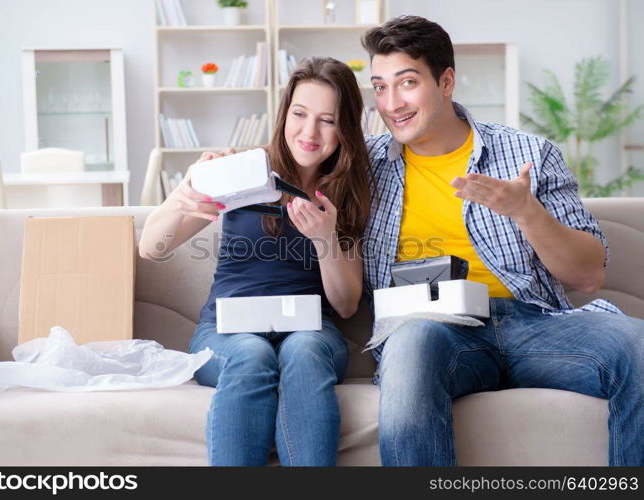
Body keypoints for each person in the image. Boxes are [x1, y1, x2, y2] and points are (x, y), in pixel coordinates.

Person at [360, 15, 644, 466]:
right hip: (433, 331)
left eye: (407, 82)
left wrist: (525, 211)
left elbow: (589, 274)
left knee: (638, 345)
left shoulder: (528, 155)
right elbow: (296, 156)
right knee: (411, 344)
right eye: (379, 87)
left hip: (532, 323)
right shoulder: (364, 164)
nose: (391, 103)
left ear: (446, 80)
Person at [139, 57, 371, 466]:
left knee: (304, 351)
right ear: (284, 114)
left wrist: (324, 241)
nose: (309, 132)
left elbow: (347, 304)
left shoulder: (345, 192)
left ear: (345, 127)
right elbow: (152, 247)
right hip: (226, 330)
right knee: (251, 356)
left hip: (310, 329)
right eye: (299, 114)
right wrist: (182, 195)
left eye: (327, 120)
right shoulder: (245, 171)